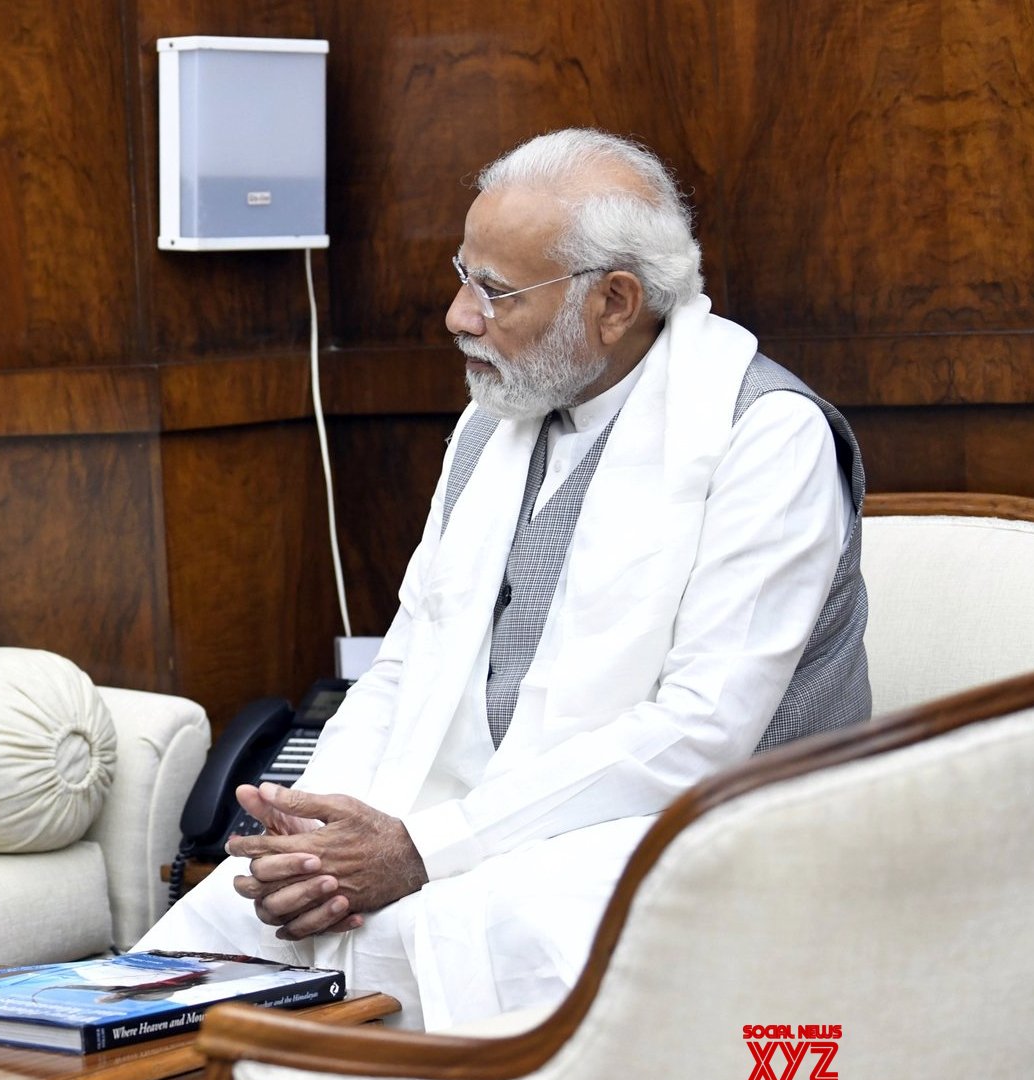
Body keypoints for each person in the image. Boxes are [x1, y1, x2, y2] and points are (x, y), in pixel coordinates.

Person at [138, 129, 870, 1030]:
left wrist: (422, 848)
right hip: (491, 823)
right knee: (211, 938)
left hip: (704, 832)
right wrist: (318, 835)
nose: (457, 314)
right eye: (462, 275)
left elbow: (699, 734)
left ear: (615, 301)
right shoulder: (494, 422)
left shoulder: (768, 435)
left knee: (438, 930)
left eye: (495, 290)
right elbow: (404, 665)